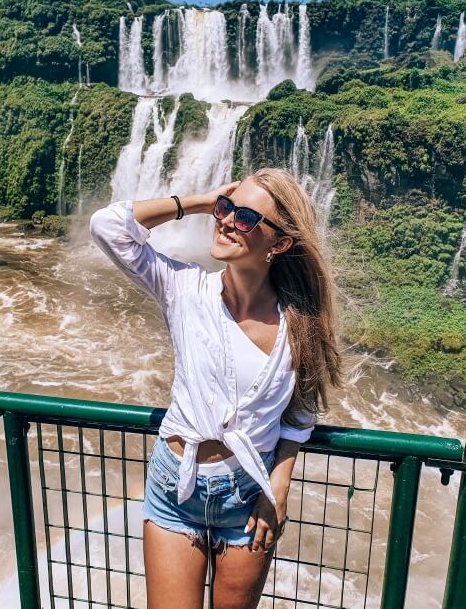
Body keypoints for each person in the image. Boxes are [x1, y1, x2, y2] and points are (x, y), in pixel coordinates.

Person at [89, 167, 342, 609]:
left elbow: (299, 414)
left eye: (245, 217)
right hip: (175, 488)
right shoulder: (183, 289)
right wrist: (201, 201)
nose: (226, 221)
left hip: (249, 496)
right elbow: (107, 226)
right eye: (227, 208)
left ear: (280, 244)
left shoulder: (300, 323)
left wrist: (277, 488)